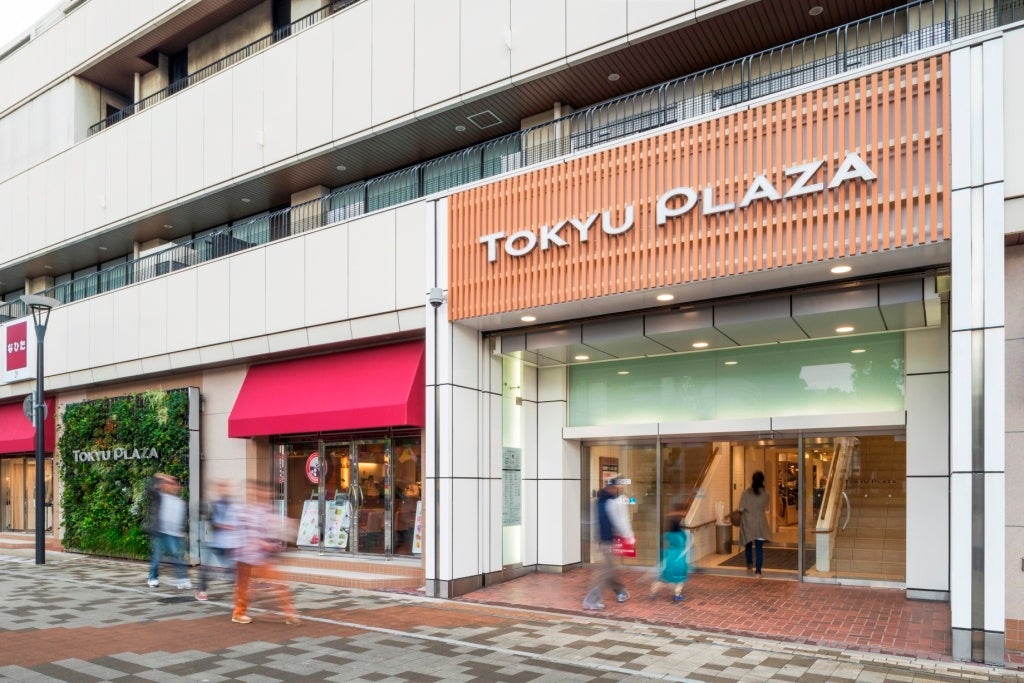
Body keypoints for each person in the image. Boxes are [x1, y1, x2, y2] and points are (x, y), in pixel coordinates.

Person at [231, 480, 299, 625]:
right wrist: (263, 544)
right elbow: (245, 534)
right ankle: (238, 613)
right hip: (244, 555)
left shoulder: (264, 509)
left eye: (268, 492)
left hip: (260, 556)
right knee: (243, 586)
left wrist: (287, 525)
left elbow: (271, 526)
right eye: (261, 491)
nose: (267, 494)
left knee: (278, 582)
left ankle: (290, 614)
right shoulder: (243, 510)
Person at [582, 477, 634, 610]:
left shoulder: (598, 500)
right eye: (617, 487)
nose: (618, 489)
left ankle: (621, 591)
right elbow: (621, 522)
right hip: (606, 542)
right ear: (613, 488)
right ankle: (591, 601)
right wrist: (629, 537)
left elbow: (591, 521)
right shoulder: (612, 502)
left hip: (601, 541)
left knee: (609, 569)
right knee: (604, 572)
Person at [196, 480, 242, 601]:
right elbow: (212, 523)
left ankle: (240, 591)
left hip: (229, 543)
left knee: (231, 569)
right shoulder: (213, 505)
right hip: (216, 542)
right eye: (221, 487)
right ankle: (201, 590)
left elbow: (237, 522)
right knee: (206, 568)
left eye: (225, 487)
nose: (223, 489)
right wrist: (225, 526)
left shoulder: (232, 504)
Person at [145, 473, 192, 589]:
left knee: (178, 557)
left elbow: (181, 519)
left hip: (175, 535)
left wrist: (182, 532)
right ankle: (152, 578)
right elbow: (149, 488)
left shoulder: (180, 501)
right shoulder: (160, 496)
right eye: (169, 484)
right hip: (161, 533)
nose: (172, 486)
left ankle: (182, 579)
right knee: (157, 557)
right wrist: (159, 476)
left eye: (174, 485)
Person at [649, 502, 689, 602]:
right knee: (680, 579)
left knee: (664, 578)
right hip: (679, 559)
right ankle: (677, 595)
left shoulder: (668, 534)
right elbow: (684, 544)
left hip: (670, 557)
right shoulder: (682, 535)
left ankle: (653, 591)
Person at [738, 470, 773, 577]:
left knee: (748, 544)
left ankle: (749, 563)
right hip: (760, 524)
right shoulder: (766, 494)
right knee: (759, 548)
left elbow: (741, 508)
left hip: (748, 523)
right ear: (763, 481)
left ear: (752, 480)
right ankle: (758, 571)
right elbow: (767, 509)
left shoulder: (746, 493)